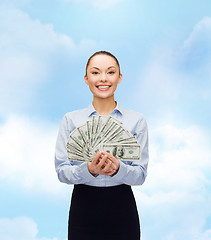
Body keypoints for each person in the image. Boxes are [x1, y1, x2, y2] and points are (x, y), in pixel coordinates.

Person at [55, 51, 149, 240]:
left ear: (120, 77)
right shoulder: (70, 120)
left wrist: (118, 169)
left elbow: (140, 176)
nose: (103, 79)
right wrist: (88, 170)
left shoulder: (136, 120)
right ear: (86, 78)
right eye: (96, 72)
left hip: (122, 207)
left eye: (111, 72)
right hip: (83, 206)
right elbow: (61, 171)